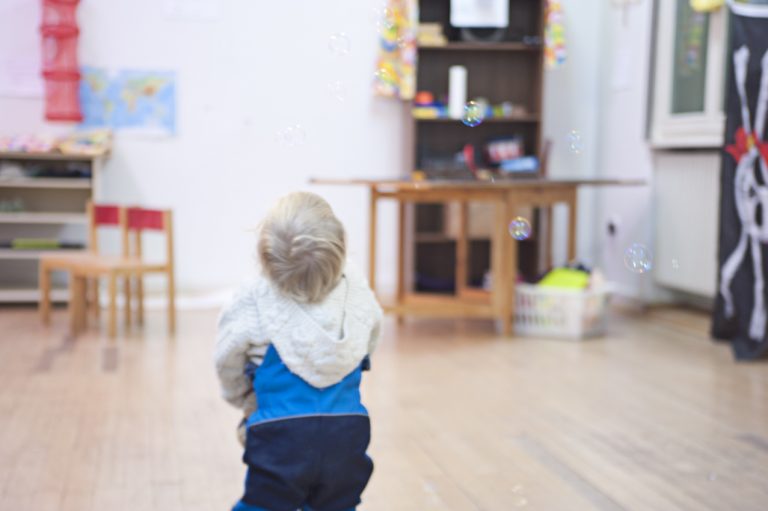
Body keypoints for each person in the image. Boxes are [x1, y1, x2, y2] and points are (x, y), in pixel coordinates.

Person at [215, 191, 382, 511]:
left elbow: (227, 358)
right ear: (341, 249)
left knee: (264, 504)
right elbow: (372, 333)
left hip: (281, 436)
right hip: (348, 433)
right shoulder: (356, 288)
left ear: (266, 258)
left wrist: (244, 401)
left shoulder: (255, 296)